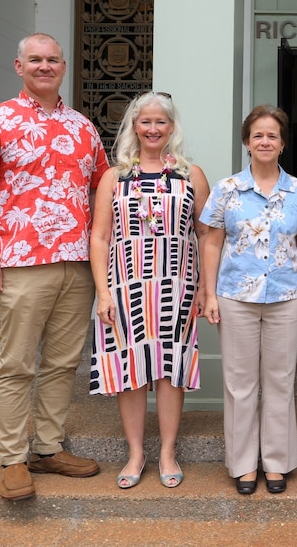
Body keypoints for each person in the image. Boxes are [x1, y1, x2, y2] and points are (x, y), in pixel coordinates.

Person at [0, 33, 109, 501]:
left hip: (77, 264)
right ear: (19, 66)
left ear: (64, 67)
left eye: (53, 60)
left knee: (63, 363)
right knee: (17, 363)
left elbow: (105, 191)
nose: (45, 67)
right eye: (35, 60)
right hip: (21, 263)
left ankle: (47, 447)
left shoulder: (84, 127)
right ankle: (12, 458)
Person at [88, 92, 210, 490]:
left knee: (170, 371)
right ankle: (136, 452)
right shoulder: (114, 176)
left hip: (178, 285)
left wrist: (206, 290)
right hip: (125, 287)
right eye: (145, 122)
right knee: (131, 370)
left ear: (171, 127)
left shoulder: (192, 174)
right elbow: (100, 237)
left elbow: (207, 235)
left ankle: (168, 452)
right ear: (134, 127)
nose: (153, 129)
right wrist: (103, 293)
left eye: (161, 122)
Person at [199, 105, 297, 495]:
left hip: (285, 295)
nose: (265, 141)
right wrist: (211, 293)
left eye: (272, 135)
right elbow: (212, 241)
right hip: (235, 297)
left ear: (282, 143)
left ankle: (277, 463)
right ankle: (243, 464)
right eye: (258, 135)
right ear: (247, 142)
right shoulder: (227, 189)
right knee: (239, 383)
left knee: (280, 380)